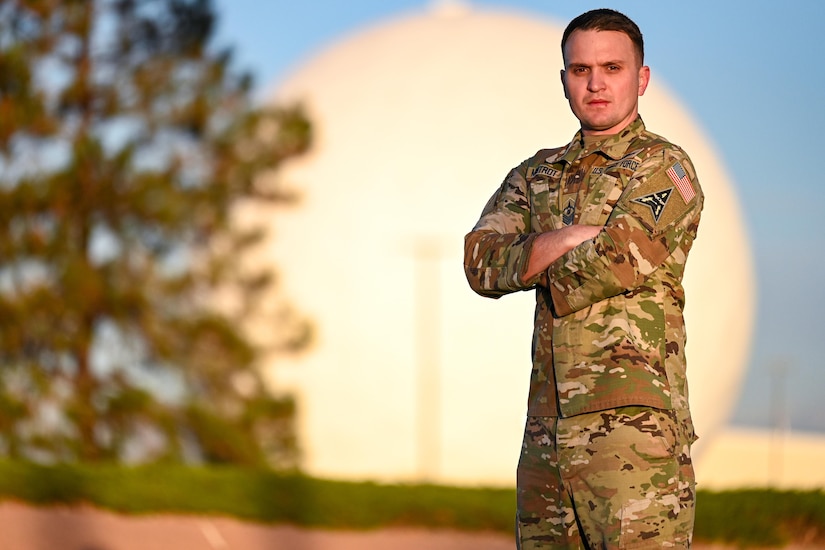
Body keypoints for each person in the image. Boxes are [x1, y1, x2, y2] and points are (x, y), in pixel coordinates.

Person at [463, 8, 703, 549]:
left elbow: (612, 262)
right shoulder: (536, 174)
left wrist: (526, 261)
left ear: (641, 78)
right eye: (580, 70)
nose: (595, 83)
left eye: (612, 67)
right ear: (565, 81)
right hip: (545, 435)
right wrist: (564, 238)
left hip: (632, 436)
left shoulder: (665, 168)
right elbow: (479, 262)